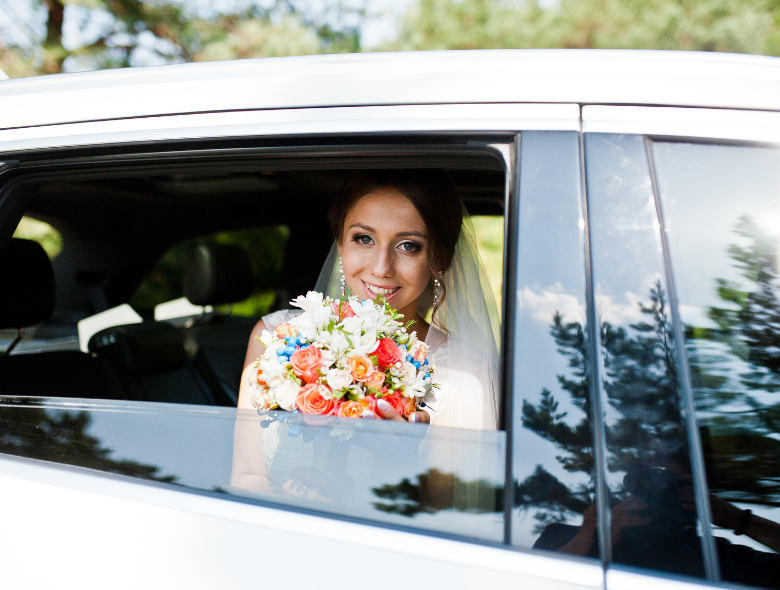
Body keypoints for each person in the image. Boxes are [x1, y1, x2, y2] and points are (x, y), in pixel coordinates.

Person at [237, 169, 501, 431]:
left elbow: (464, 475)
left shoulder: (466, 371)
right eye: (364, 239)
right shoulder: (275, 338)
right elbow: (247, 474)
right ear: (340, 244)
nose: (381, 267)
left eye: (408, 245)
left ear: (439, 259)